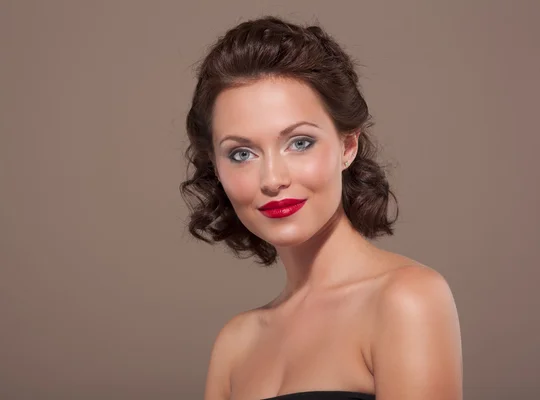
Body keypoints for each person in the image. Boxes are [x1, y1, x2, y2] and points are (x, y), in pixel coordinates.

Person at [180, 15, 462, 400]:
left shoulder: (405, 301)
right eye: (242, 153)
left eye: (299, 143)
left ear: (347, 146)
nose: (272, 178)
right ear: (216, 167)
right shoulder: (235, 344)